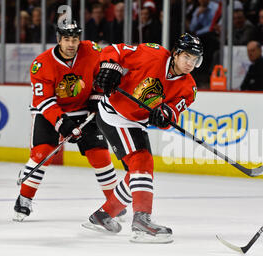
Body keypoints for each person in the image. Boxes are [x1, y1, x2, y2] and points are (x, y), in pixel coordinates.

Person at [82, 33, 203, 244]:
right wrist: (110, 67)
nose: (190, 63)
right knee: (143, 162)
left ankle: (102, 216)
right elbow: (116, 51)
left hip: (136, 122)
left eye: (195, 59)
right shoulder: (153, 54)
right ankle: (141, 221)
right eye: (186, 56)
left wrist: (163, 114)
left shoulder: (189, 88)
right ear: (175, 54)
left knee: (137, 174)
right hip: (115, 114)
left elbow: (172, 112)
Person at [14, 21, 120, 222]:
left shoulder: (91, 50)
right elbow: (43, 101)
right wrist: (62, 123)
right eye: (66, 39)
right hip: (51, 111)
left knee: (100, 155)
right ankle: (24, 198)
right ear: (58, 40)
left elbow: (102, 74)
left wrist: (98, 96)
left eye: (74, 39)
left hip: (83, 109)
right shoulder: (41, 64)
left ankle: (114, 203)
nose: (71, 44)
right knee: (42, 153)